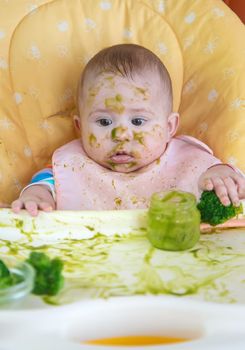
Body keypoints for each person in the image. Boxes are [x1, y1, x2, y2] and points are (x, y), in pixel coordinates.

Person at [11, 44, 245, 216]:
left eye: (138, 121)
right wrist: (36, 195)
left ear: (169, 127)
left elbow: (232, 185)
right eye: (104, 122)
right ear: (79, 128)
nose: (121, 135)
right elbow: (49, 182)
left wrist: (222, 173)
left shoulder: (188, 160)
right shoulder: (72, 163)